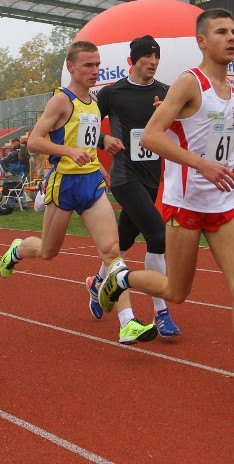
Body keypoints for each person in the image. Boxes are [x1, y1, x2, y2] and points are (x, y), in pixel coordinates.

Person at [96, 9, 234, 412]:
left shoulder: (233, 91)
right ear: (202, 41)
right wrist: (199, 164)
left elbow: (216, 136)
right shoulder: (189, 82)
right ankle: (122, 276)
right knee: (177, 291)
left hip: (224, 202)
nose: (231, 37)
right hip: (186, 203)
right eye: (222, 32)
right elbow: (152, 136)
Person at [0, 41, 158, 345]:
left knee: (112, 251)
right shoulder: (61, 101)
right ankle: (18, 249)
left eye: (97, 64)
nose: (94, 70)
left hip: (91, 184)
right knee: (48, 250)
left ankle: (127, 322)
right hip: (65, 185)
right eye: (88, 65)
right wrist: (69, 151)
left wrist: (100, 164)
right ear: (71, 67)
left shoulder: (94, 102)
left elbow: (87, 137)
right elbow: (34, 141)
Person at [85, 34, 181, 340]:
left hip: (152, 175)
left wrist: (168, 112)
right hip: (125, 176)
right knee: (157, 234)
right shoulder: (113, 93)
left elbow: (180, 128)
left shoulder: (165, 93)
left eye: (157, 58)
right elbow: (86, 126)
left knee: (123, 241)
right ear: (132, 61)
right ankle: (161, 312)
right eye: (146, 57)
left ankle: (98, 282)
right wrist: (103, 139)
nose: (153, 62)